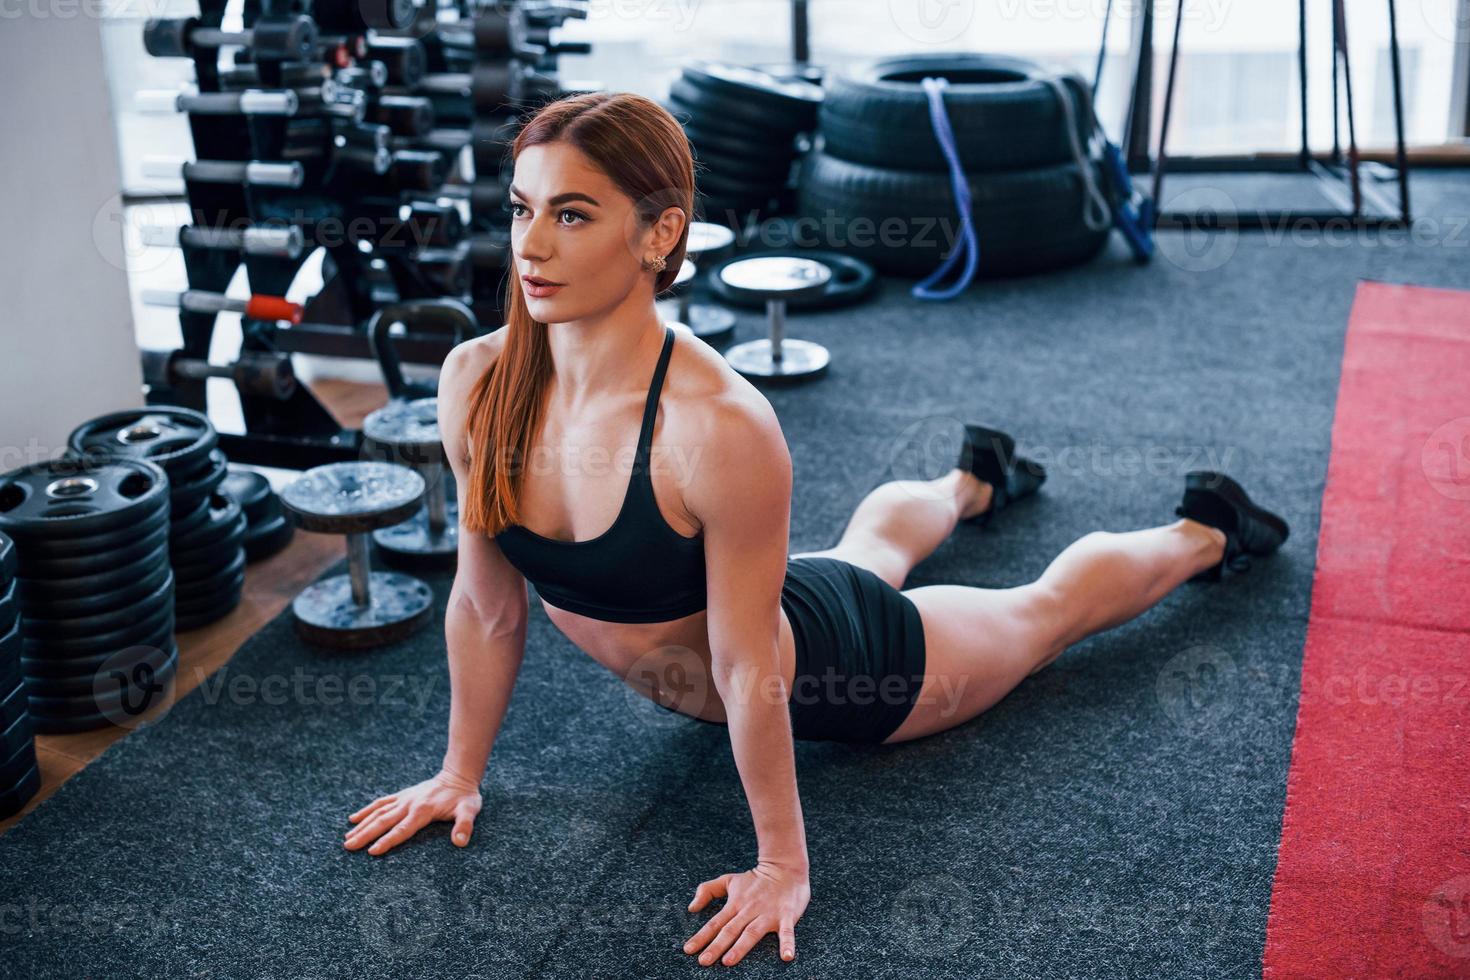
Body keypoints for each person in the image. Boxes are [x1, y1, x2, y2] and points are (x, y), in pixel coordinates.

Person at [342, 91, 1290, 968]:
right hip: (753, 609)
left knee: (1040, 618)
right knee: (860, 551)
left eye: (573, 213)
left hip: (846, 667)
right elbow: (486, 603)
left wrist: (782, 865)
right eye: (522, 209)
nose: (532, 245)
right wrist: (457, 773)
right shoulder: (478, 379)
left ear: (657, 233)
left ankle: (1206, 529)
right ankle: (973, 479)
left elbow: (753, 666)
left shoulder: (717, 425)